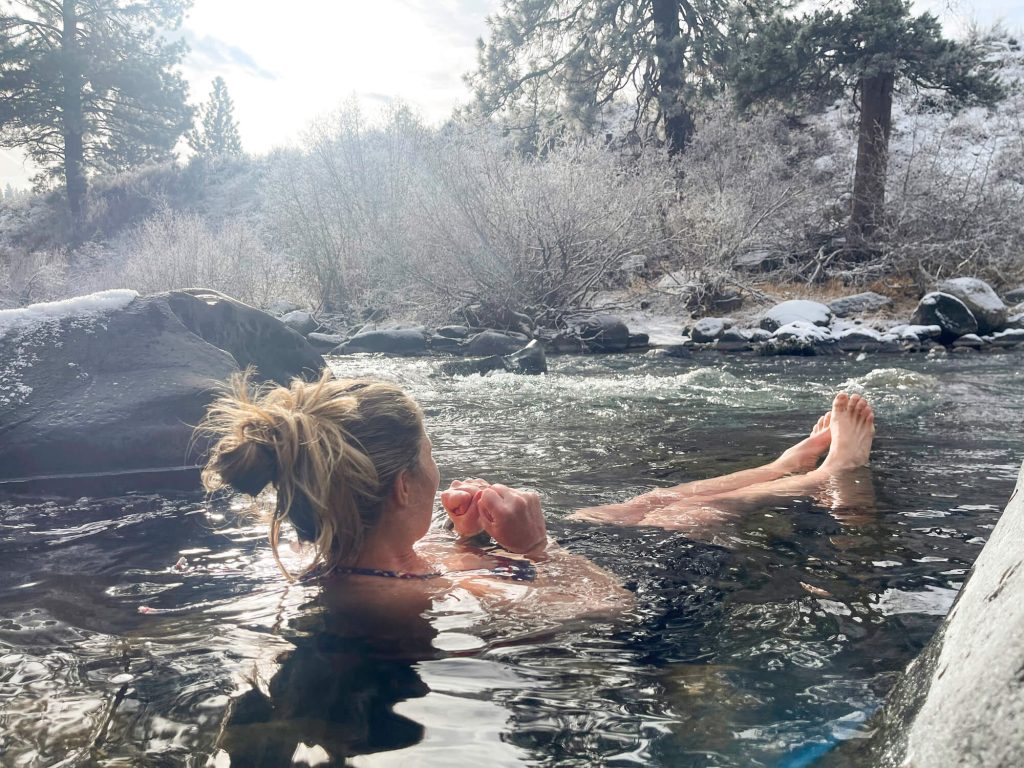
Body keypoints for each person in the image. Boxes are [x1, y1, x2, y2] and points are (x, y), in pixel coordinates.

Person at [199, 373, 875, 600]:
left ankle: (787, 464)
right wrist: (534, 552)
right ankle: (831, 476)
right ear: (404, 487)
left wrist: (467, 537)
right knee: (673, 519)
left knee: (648, 501)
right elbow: (608, 610)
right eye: (430, 456)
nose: (440, 472)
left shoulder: (366, 558)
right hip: (573, 576)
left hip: (492, 560)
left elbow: (424, 564)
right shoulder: (412, 600)